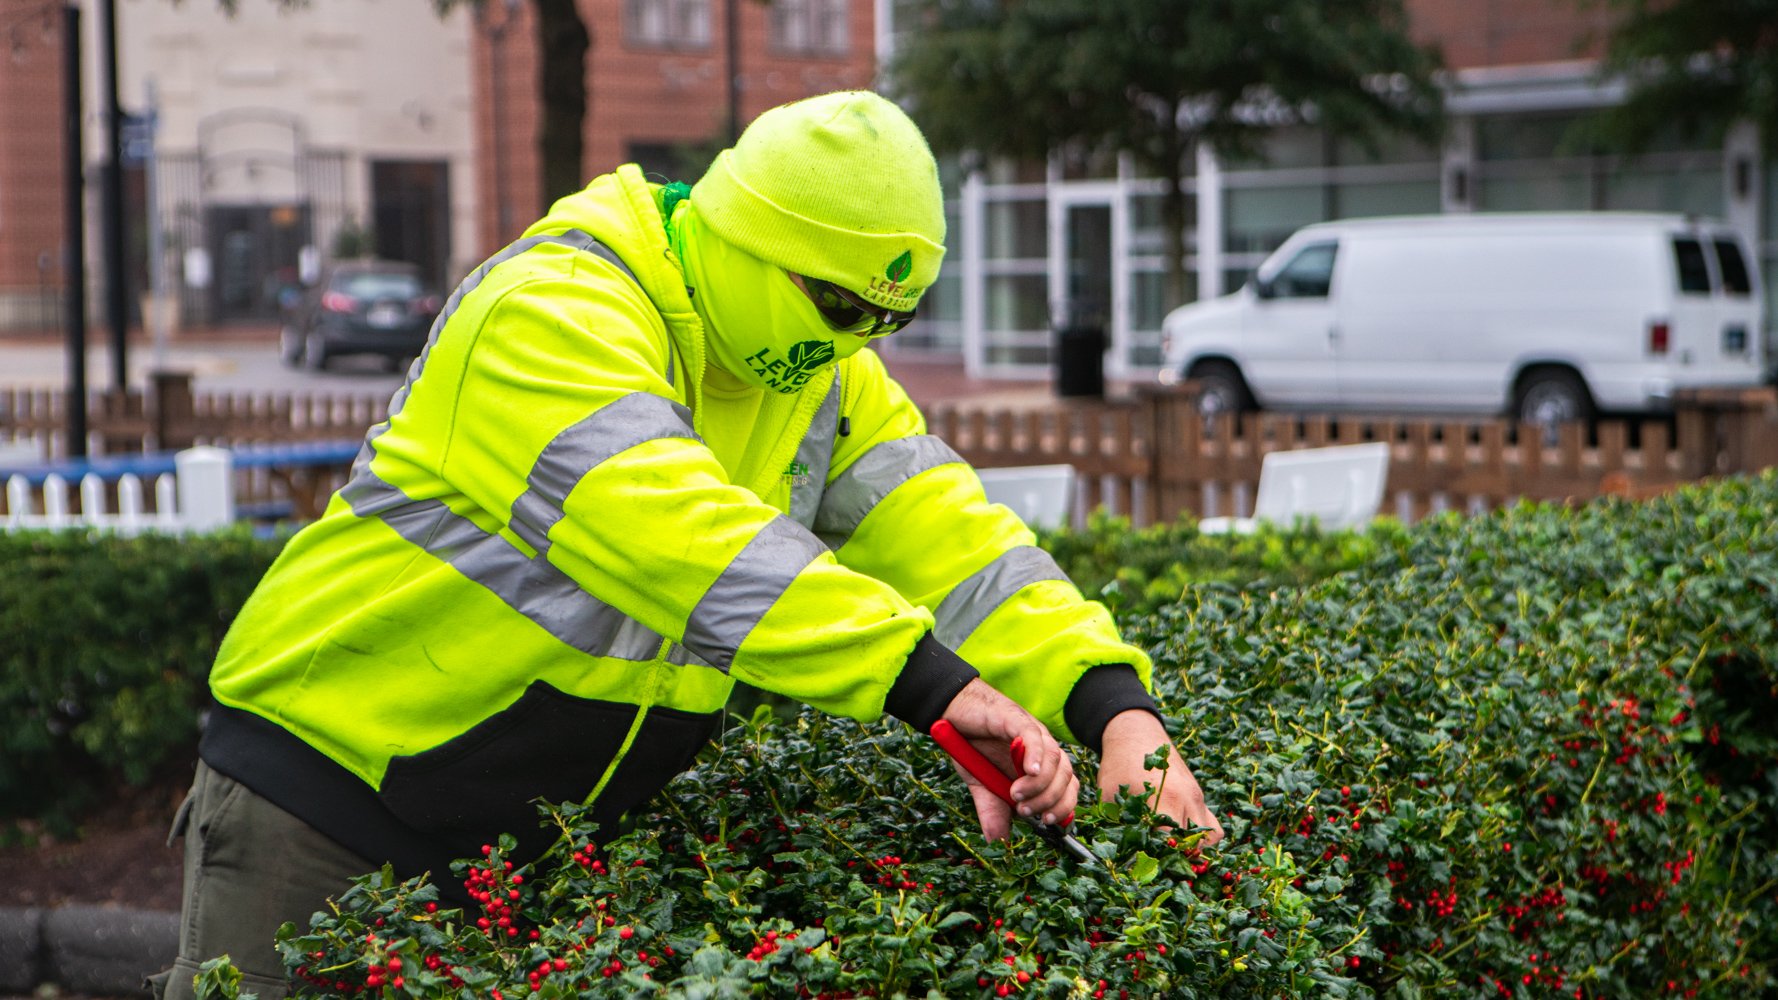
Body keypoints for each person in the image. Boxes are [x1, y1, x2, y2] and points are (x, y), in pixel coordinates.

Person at [150, 90, 1221, 1000]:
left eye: (885, 322)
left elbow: (957, 540)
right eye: (838, 304)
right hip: (323, 811)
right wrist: (927, 682)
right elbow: (683, 535)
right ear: (745, 235)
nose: (853, 345)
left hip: (523, 856)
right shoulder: (551, 310)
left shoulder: (814, 374)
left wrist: (1114, 710)